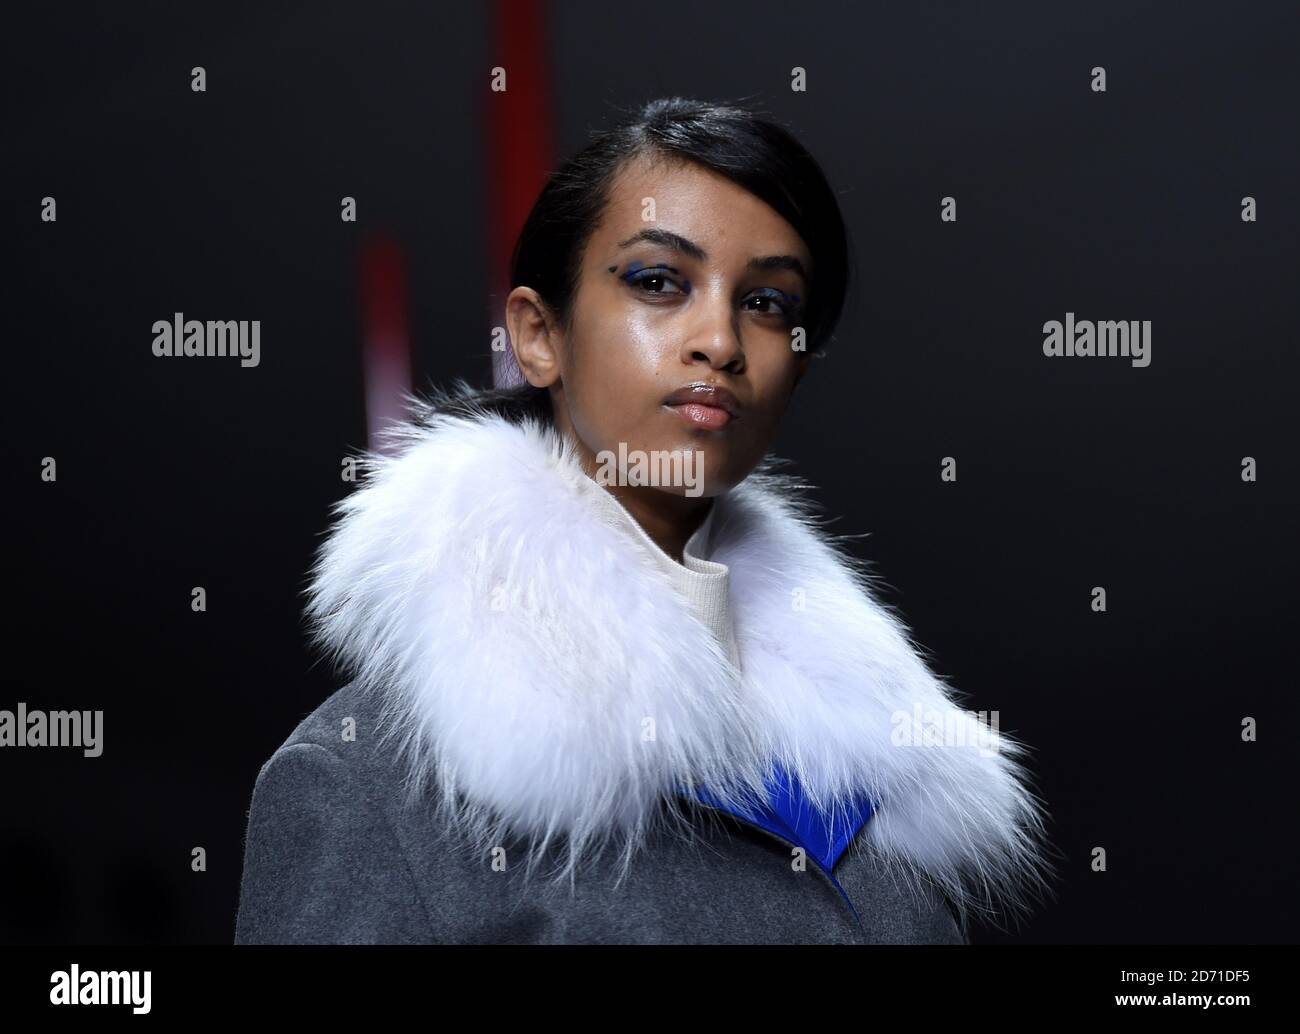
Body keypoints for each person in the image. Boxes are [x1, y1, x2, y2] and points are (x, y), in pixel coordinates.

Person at [234, 96, 1054, 945]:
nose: (721, 340)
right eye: (659, 280)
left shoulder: (888, 777)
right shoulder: (368, 780)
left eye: (769, 302)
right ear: (538, 334)